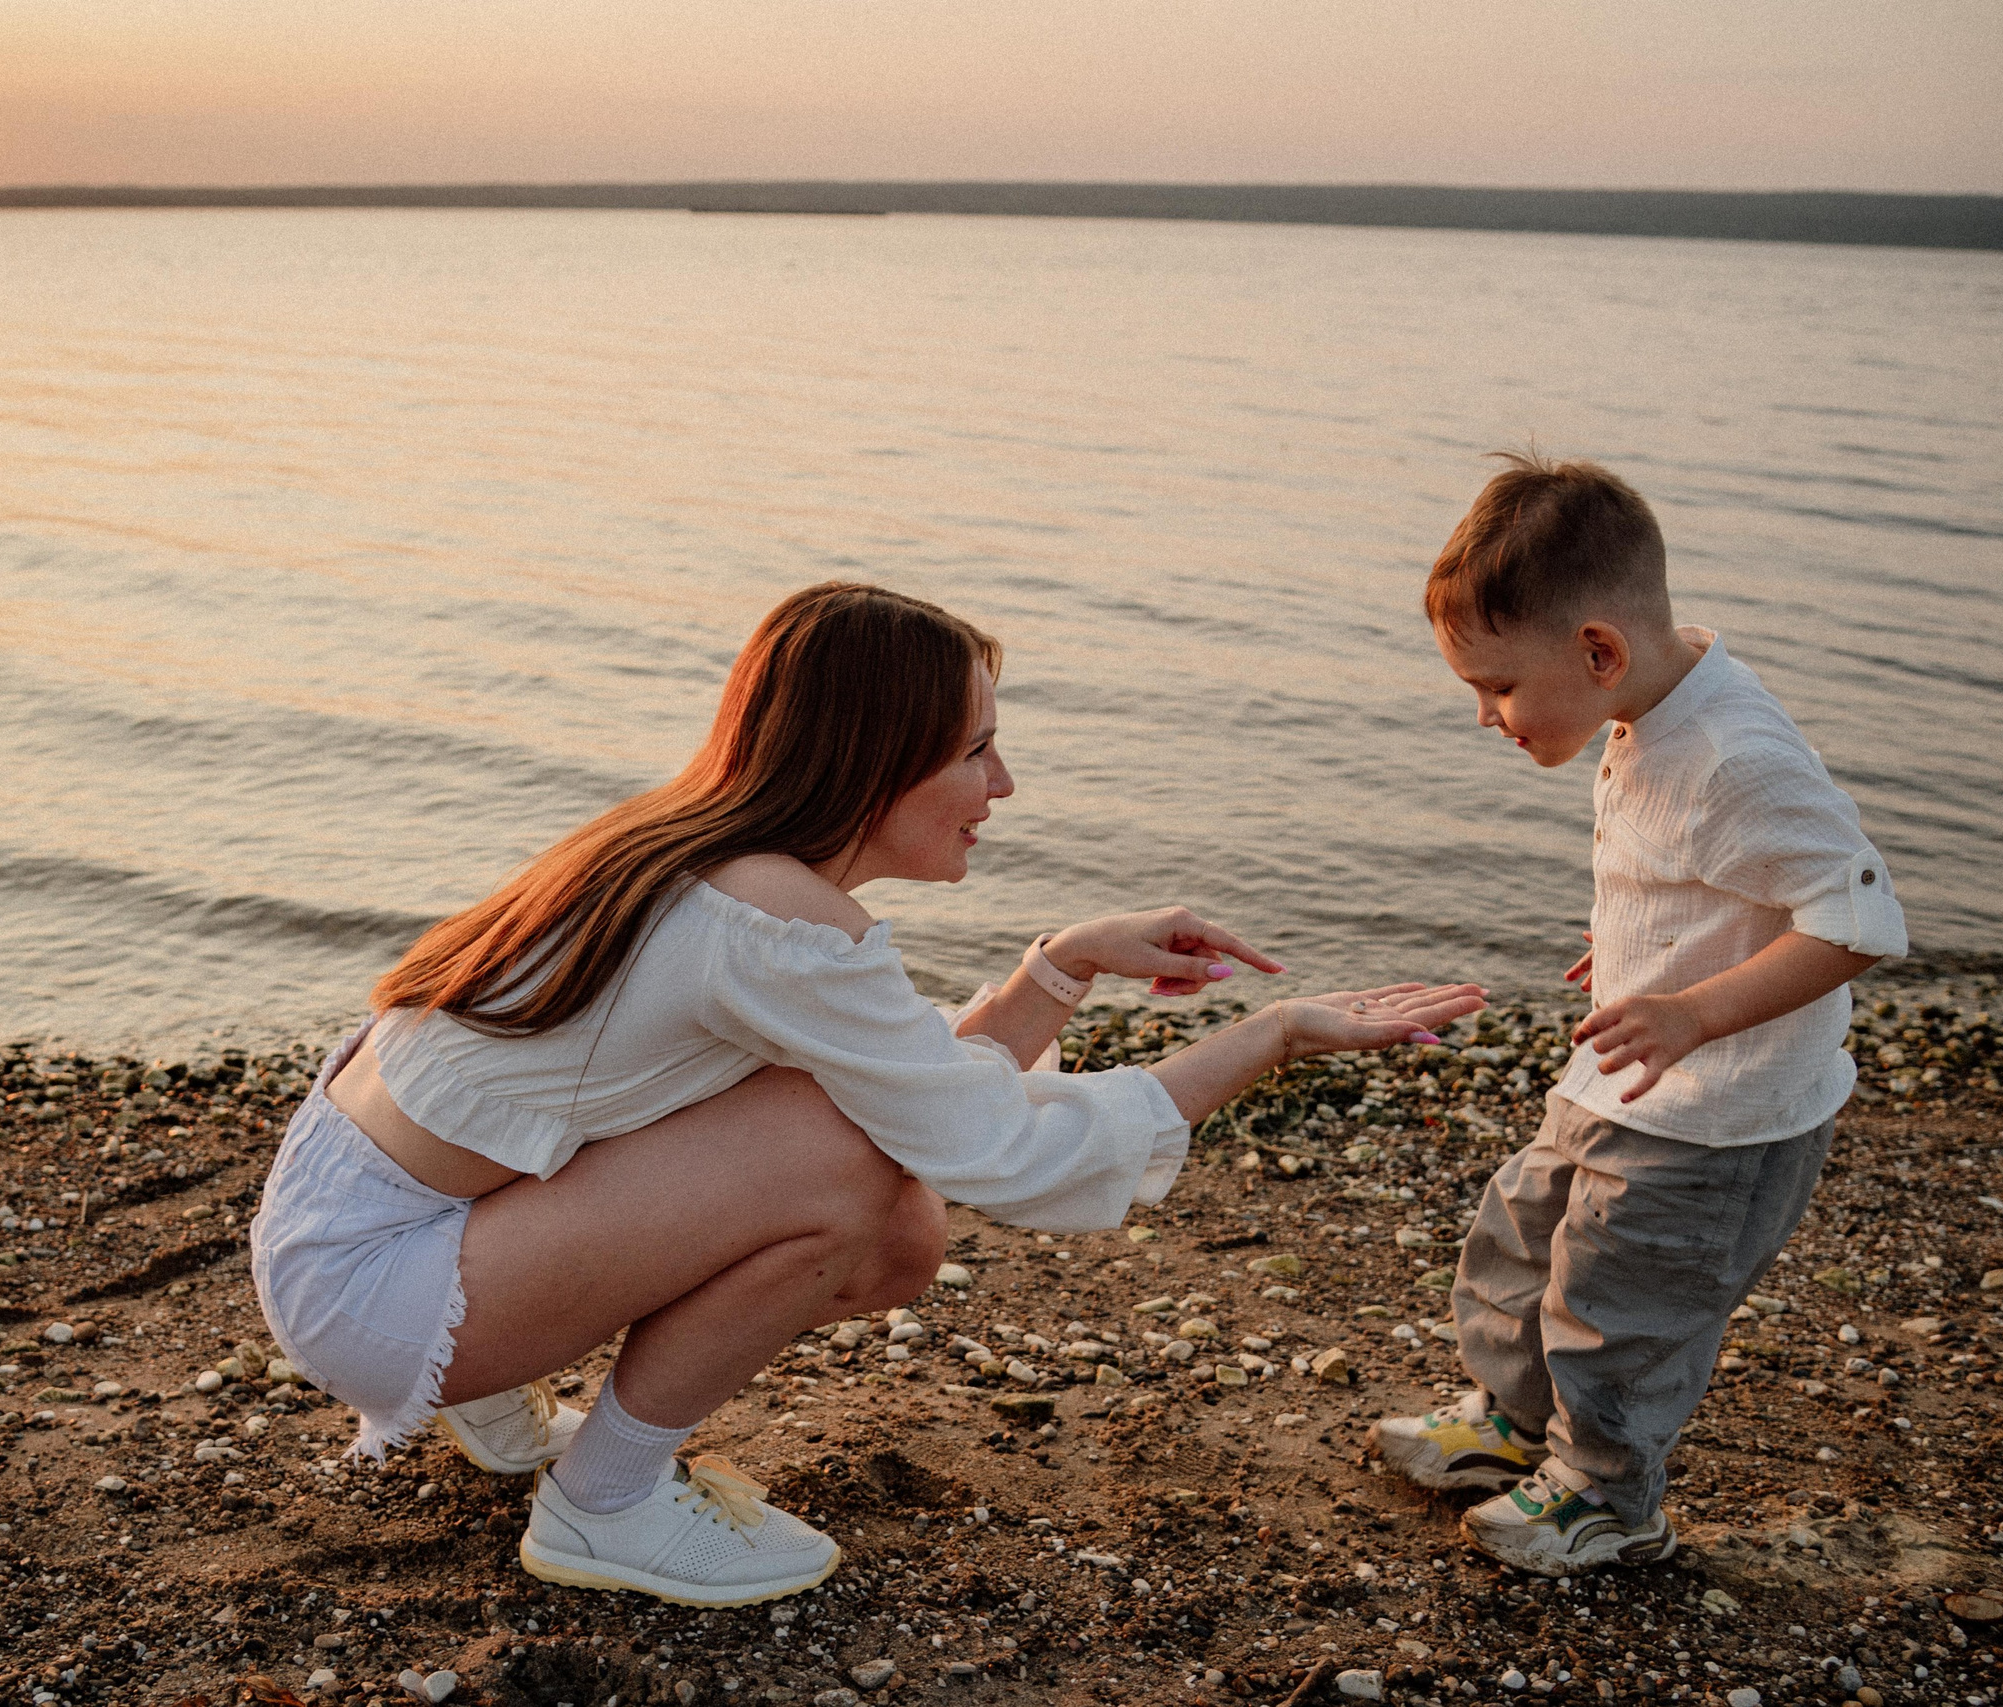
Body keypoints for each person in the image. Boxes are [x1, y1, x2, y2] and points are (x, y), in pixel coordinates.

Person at [251, 581, 1485, 1608]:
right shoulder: (773, 918)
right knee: (857, 1181)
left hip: (354, 1221)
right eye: (974, 751)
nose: (1001, 787)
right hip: (379, 1286)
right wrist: (1263, 1039)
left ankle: (506, 1405)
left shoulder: (699, 848)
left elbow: (919, 1092)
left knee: (882, 1199)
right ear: (873, 764)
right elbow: (996, 1150)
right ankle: (606, 1506)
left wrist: (1060, 964)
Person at [1378, 453, 1909, 1575]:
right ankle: (1515, 1426)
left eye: (1498, 688)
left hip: (1717, 1115)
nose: (1485, 716)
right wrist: (1637, 950)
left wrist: (1694, 1007)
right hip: (1632, 1070)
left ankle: (1609, 1496)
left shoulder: (1736, 757)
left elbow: (1859, 919)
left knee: (1622, 1300)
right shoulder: (1649, 700)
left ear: (1599, 651)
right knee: (1522, 1235)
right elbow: (1702, 875)